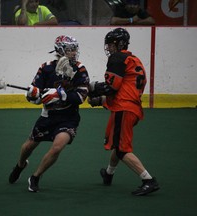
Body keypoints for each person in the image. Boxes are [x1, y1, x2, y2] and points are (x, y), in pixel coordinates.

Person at [8, 35, 90, 192]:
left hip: (68, 118)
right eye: (69, 49)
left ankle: (35, 177)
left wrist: (61, 95)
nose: (74, 53)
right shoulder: (46, 68)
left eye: (75, 49)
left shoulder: (80, 69)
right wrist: (33, 95)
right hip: (48, 117)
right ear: (60, 50)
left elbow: (81, 96)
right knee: (28, 147)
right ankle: (20, 165)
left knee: (57, 147)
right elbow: (36, 96)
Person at [88, 28, 159, 196]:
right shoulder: (134, 59)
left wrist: (93, 88)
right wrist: (99, 100)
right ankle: (109, 174)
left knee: (121, 149)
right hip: (131, 108)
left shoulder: (118, 58)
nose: (109, 48)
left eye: (111, 45)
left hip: (124, 109)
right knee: (117, 143)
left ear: (119, 44)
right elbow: (123, 91)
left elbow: (111, 88)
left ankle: (148, 180)